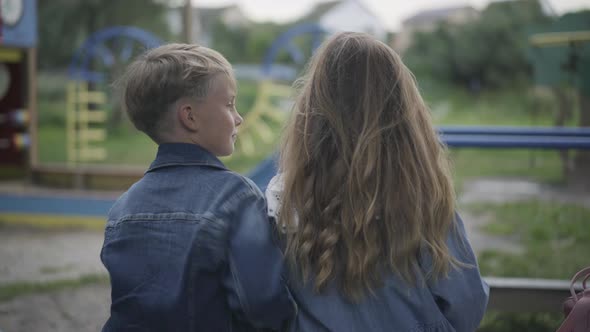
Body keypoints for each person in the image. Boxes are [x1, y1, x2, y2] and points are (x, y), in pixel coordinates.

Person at [266, 32, 489, 332]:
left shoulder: (284, 200)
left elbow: (266, 298)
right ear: (404, 117)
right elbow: (466, 306)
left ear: (312, 115)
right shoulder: (423, 201)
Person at [100, 43, 295, 332]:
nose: (238, 117)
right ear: (189, 116)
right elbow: (263, 306)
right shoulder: (236, 197)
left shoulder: (123, 208)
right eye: (229, 104)